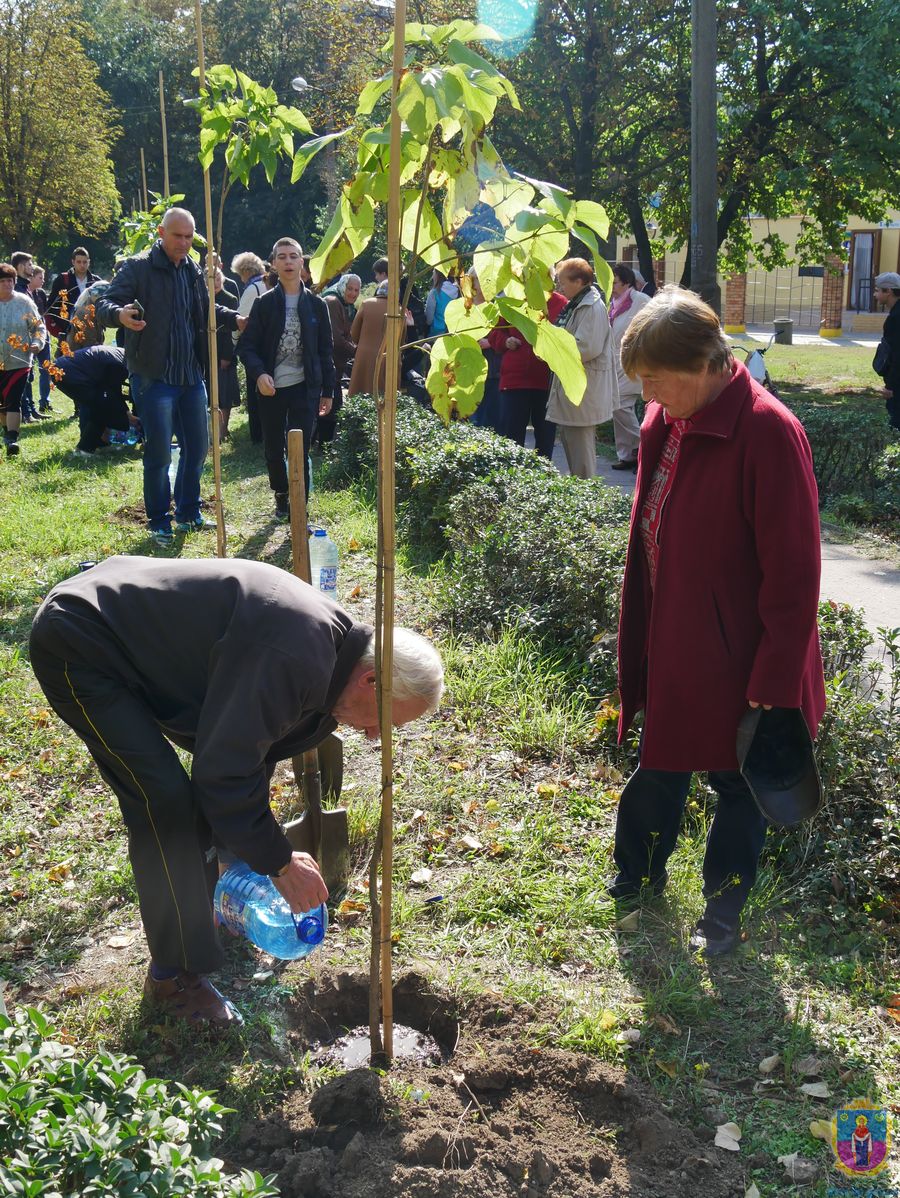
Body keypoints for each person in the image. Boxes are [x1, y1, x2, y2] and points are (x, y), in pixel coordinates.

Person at [30, 555, 444, 1027]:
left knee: (193, 802)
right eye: (385, 722)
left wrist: (241, 855)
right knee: (163, 801)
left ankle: (210, 899)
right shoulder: (292, 656)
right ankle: (172, 977)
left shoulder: (336, 665)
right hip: (81, 641)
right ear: (372, 680)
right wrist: (279, 862)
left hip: (132, 633)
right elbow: (224, 773)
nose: (374, 736)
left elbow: (252, 753)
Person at [613, 286, 825, 955]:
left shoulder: (768, 431)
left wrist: (776, 674)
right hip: (676, 638)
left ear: (706, 363)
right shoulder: (664, 422)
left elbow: (794, 572)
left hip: (743, 656)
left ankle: (723, 912)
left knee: (737, 784)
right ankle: (635, 881)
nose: (648, 394)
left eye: (656, 378)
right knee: (661, 763)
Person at [96, 208, 245, 546]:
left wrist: (235, 318)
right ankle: (160, 519)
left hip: (191, 375)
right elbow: (105, 303)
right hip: (154, 377)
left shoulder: (192, 269)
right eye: (177, 236)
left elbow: (203, 309)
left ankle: (189, 511)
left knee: (198, 447)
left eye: (189, 237)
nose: (183, 242)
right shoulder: (138, 267)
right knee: (160, 453)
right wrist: (120, 315)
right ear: (161, 232)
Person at [237, 237, 334, 522]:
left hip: (306, 387)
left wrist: (328, 390)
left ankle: (300, 501)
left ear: (302, 263)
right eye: (283, 257)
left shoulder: (317, 305)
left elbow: (326, 350)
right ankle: (281, 495)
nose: (289, 262)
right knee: (273, 448)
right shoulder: (264, 304)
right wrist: (260, 373)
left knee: (300, 448)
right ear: (274, 264)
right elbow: (246, 346)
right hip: (272, 389)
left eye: (294, 256)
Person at [547, 258, 619, 479]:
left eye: (563, 282)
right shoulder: (579, 303)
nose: (560, 287)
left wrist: (552, 344)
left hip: (585, 392)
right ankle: (580, 499)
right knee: (572, 446)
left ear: (579, 281)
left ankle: (587, 500)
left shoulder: (591, 306)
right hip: (577, 391)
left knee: (582, 456)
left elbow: (586, 348)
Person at [488, 287, 566, 459]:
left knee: (545, 437)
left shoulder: (559, 303)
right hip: (514, 380)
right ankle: (513, 479)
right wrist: (505, 341)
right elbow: (494, 332)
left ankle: (543, 478)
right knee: (511, 437)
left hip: (546, 380)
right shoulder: (511, 300)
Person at [52, 345, 133, 457]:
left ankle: (98, 444)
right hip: (70, 373)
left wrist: (126, 412)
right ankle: (84, 449)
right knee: (103, 408)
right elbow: (112, 391)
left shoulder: (121, 355)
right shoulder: (121, 365)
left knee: (96, 406)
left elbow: (110, 390)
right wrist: (127, 414)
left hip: (61, 368)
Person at [608, 263, 651, 470]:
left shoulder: (641, 301)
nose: (611, 286)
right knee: (617, 408)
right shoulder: (614, 302)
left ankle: (647, 446)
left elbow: (653, 324)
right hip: (615, 361)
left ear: (626, 282)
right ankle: (627, 455)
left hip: (633, 360)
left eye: (614, 282)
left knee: (620, 405)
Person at [0, 262, 45, 457]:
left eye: (10, 280)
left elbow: (38, 327)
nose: (7, 285)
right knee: (2, 403)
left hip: (20, 360)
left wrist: (37, 343)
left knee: (13, 400)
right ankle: (6, 432)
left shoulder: (24, 302)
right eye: (2, 281)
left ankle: (12, 439)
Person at [230, 252, 271, 444]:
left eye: (240, 273)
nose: (240, 278)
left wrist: (233, 342)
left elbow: (241, 321)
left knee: (254, 393)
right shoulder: (268, 284)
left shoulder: (252, 289)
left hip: (254, 347)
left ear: (246, 271)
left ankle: (257, 435)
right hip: (269, 346)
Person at [320, 273, 361, 442]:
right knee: (330, 405)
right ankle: (324, 445)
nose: (352, 293)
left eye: (356, 290)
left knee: (333, 405)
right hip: (328, 364)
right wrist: (357, 352)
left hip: (335, 365)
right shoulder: (332, 302)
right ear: (342, 286)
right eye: (349, 289)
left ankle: (323, 443)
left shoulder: (344, 305)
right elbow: (336, 339)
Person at [45, 248, 100, 344]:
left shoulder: (96, 282)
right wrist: (65, 326)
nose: (82, 265)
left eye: (85, 262)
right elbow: (52, 306)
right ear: (73, 262)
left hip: (92, 330)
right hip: (69, 330)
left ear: (89, 262)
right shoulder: (62, 279)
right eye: (79, 262)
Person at [347, 279, 389, 398]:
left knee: (358, 396)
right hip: (387, 359)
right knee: (382, 399)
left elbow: (353, 334)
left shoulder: (366, 303)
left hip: (363, 357)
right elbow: (402, 342)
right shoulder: (399, 310)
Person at [213, 267, 240, 441]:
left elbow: (232, 331)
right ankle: (212, 430)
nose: (214, 280)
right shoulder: (202, 299)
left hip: (224, 349)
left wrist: (226, 356)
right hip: (206, 351)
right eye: (210, 277)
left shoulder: (230, 299)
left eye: (216, 277)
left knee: (225, 394)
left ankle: (223, 429)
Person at [873, 271, 900, 430]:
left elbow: (897, 355)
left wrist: (891, 386)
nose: (876, 294)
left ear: (888, 291)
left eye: (878, 290)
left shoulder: (896, 318)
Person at [26, 266, 53, 417]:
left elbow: (45, 313)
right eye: (40, 278)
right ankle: (29, 407)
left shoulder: (41, 293)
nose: (43, 281)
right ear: (32, 277)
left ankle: (45, 401)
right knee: (29, 371)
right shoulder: (23, 294)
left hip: (43, 334)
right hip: (30, 336)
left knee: (46, 368)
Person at [424, 268, 459, 337]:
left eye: (433, 272)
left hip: (436, 335)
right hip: (454, 333)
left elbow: (429, 320)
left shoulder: (434, 293)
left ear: (437, 274)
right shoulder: (459, 292)